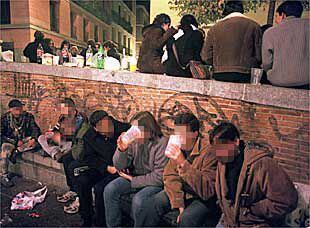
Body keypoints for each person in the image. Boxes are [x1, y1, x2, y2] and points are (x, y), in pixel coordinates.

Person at [209, 122, 298, 227]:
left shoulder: (262, 164)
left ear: (236, 141)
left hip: (255, 224)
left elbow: (287, 200)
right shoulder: (222, 162)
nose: (218, 155)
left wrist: (255, 209)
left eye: (222, 148)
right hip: (229, 222)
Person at [140, 113, 220, 227]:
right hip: (183, 191)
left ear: (195, 134)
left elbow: (207, 191)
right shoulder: (178, 148)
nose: (178, 137)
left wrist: (183, 163)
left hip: (200, 197)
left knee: (186, 219)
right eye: (176, 133)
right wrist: (179, 204)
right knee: (151, 204)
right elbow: (170, 176)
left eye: (182, 134)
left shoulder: (209, 153)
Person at [104, 111, 169, 227]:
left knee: (139, 200)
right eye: (132, 128)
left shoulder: (162, 143)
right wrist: (121, 150)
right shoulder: (134, 141)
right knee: (110, 189)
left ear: (148, 129)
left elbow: (159, 178)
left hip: (153, 183)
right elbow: (119, 166)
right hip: (135, 176)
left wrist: (132, 179)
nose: (133, 133)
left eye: (137, 130)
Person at [71, 110, 130, 227]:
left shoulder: (124, 130)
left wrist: (119, 167)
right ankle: (86, 217)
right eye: (103, 126)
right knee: (82, 181)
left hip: (121, 168)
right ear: (96, 129)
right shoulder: (90, 136)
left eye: (108, 123)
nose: (108, 127)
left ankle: (101, 222)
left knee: (100, 188)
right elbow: (88, 157)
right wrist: (106, 167)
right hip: (102, 167)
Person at [202, 0, 262, 83]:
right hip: (245, 74)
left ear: (226, 11)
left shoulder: (214, 28)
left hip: (220, 74)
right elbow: (259, 56)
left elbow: (205, 56)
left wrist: (217, 64)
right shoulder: (254, 26)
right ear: (242, 10)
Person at [262, 1, 309, 89]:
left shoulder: (270, 32)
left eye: (276, 16)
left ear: (283, 15)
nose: (275, 21)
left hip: (278, 81)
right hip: (306, 81)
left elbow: (266, 63)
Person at [55, 98, 88, 214]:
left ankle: (79, 197)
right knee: (66, 160)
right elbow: (56, 130)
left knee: (72, 164)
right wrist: (55, 135)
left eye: (64, 108)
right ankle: (72, 190)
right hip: (66, 143)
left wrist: (64, 136)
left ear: (71, 108)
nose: (62, 111)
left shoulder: (81, 119)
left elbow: (76, 137)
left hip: (74, 145)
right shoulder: (62, 117)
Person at [0, 99, 41, 187]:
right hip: (10, 141)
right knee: (5, 153)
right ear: (10, 109)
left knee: (35, 143)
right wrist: (15, 142)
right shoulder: (5, 119)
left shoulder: (28, 116)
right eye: (16, 109)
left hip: (24, 141)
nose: (19, 111)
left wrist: (33, 138)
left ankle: (17, 151)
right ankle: (4, 176)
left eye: (20, 109)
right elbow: (1, 135)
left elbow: (36, 129)